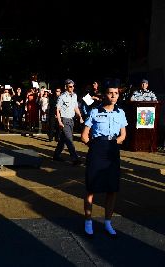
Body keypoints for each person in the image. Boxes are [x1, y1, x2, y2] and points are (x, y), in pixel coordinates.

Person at [81, 81, 127, 238]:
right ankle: (88, 221)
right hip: (97, 149)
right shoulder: (94, 112)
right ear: (104, 94)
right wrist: (94, 147)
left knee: (112, 188)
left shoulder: (120, 113)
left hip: (112, 149)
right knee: (91, 187)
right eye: (110, 93)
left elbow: (123, 135)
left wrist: (113, 144)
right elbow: (84, 135)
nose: (113, 96)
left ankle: (108, 222)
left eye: (116, 93)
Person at [53, 79, 84, 165]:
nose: (72, 88)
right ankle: (75, 159)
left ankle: (56, 155)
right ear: (66, 87)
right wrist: (59, 121)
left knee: (63, 139)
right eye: (70, 86)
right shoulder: (62, 96)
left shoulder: (74, 96)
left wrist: (80, 116)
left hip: (71, 120)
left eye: (73, 86)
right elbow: (57, 110)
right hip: (64, 119)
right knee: (69, 140)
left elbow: (76, 107)